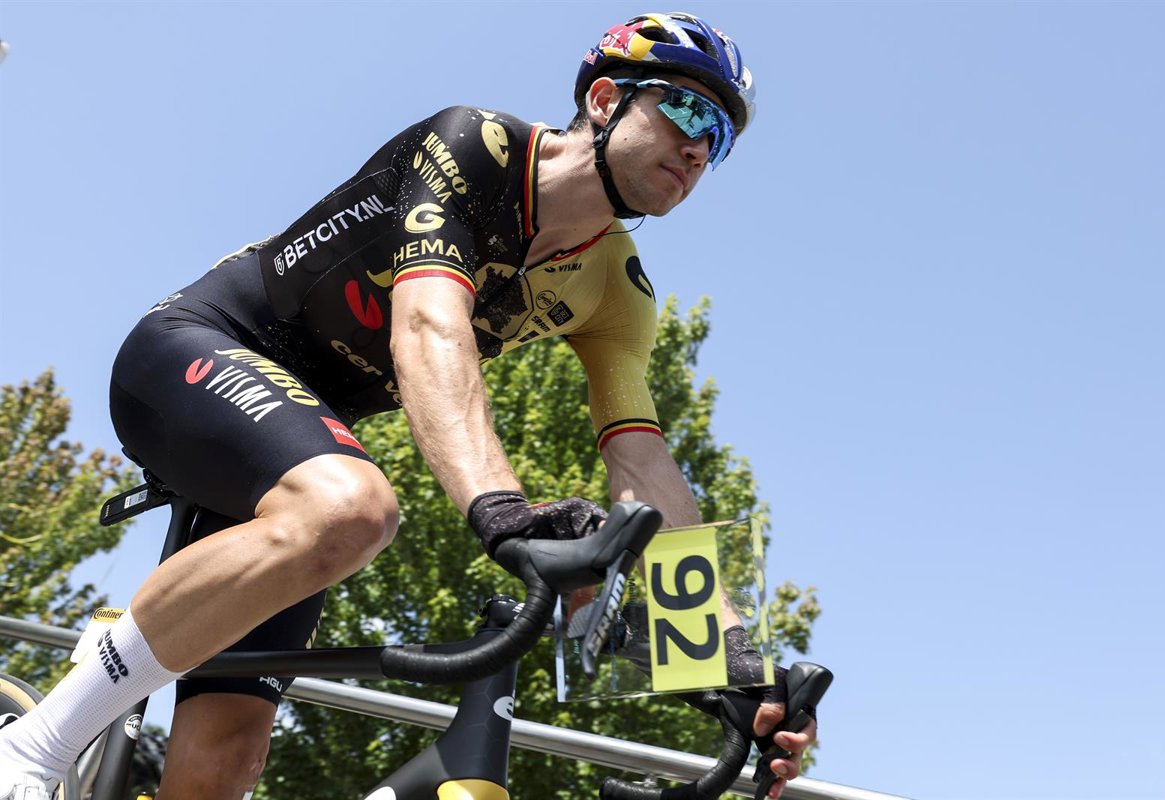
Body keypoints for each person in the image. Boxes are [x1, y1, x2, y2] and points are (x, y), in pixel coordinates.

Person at [0, 12, 815, 800]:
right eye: (687, 109)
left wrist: (725, 659)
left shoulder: (616, 289)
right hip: (198, 348)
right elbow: (428, 325)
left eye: (721, 137)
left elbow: (642, 461)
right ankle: (30, 749)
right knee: (353, 509)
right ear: (605, 101)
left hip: (300, 442)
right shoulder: (476, 147)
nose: (700, 147)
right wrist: (504, 513)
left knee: (228, 758)